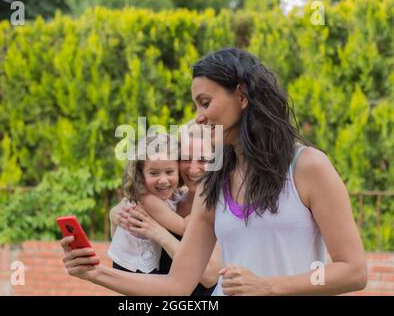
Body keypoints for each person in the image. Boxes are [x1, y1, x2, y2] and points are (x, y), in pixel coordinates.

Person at [60, 47, 367, 295]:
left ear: (242, 96)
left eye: (205, 102)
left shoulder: (308, 166)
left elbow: (353, 271)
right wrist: (95, 273)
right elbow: (176, 285)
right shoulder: (214, 182)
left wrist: (268, 286)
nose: (200, 117)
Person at [110, 132, 221, 295]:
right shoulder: (164, 199)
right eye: (186, 159)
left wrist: (157, 232)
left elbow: (210, 276)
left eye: (203, 159)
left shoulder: (223, 207)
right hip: (137, 270)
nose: (193, 168)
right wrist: (113, 216)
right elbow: (122, 237)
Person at [107, 133, 188, 274]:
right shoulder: (147, 199)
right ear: (140, 174)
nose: (163, 180)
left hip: (145, 262)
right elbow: (182, 227)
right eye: (154, 173)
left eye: (169, 172)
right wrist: (203, 213)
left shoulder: (170, 192)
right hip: (131, 265)